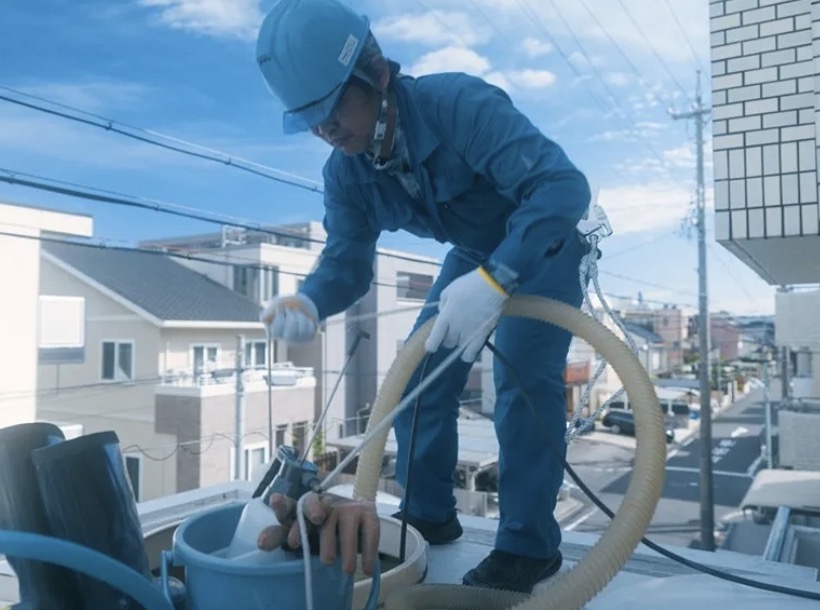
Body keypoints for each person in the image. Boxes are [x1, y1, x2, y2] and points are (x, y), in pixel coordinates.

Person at [255, 0, 593, 593]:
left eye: (332, 107)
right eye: (309, 119)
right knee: (415, 380)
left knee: (520, 383)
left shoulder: (457, 104)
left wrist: (499, 278)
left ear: (378, 73)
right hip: (471, 254)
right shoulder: (347, 171)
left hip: (540, 241)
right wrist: (308, 301)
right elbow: (347, 262)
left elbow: (562, 187)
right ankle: (430, 516)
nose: (324, 130)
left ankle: (528, 547)